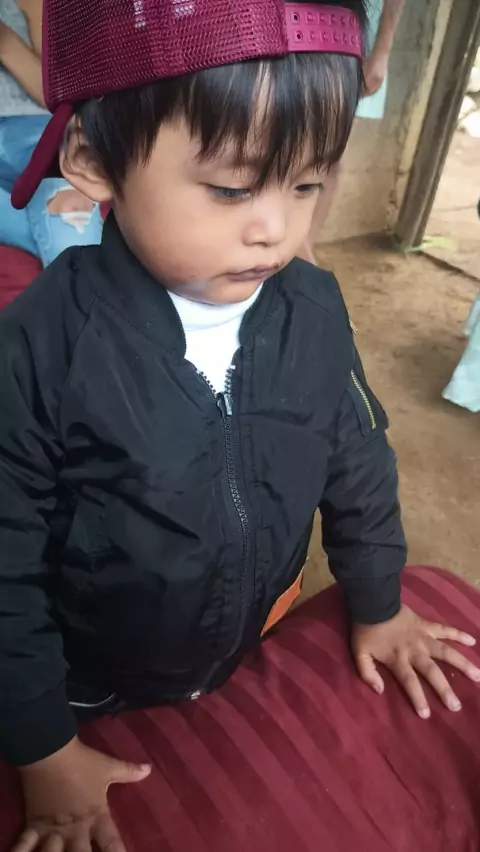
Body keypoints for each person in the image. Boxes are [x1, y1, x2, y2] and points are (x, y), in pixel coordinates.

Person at [1, 2, 479, 851]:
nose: (276, 229)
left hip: (250, 629)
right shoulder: (42, 346)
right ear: (94, 160)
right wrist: (43, 747)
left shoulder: (312, 306)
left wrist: (378, 602)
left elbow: (358, 457)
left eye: (307, 184)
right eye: (231, 187)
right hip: (90, 677)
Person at [301, 0, 406, 263]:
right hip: (298, 19)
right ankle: (298, 252)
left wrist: (382, 51)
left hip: (354, 30)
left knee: (327, 159)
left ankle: (302, 254)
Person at [0, 0, 102, 266]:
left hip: (38, 136)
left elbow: (55, 92)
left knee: (71, 210)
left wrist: (5, 41)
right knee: (68, 219)